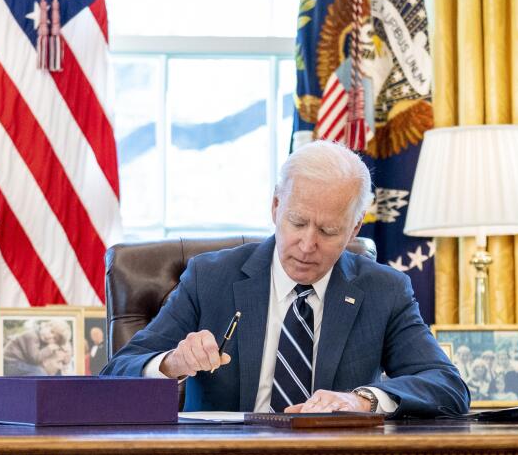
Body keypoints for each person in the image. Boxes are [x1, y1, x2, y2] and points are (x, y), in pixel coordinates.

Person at [102, 140, 469, 417]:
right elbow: (116, 374)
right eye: (297, 222)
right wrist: (172, 364)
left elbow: (447, 385)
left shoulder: (383, 291)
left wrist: (361, 400)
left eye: (328, 231)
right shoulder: (210, 278)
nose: (307, 244)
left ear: (354, 228)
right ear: (276, 207)